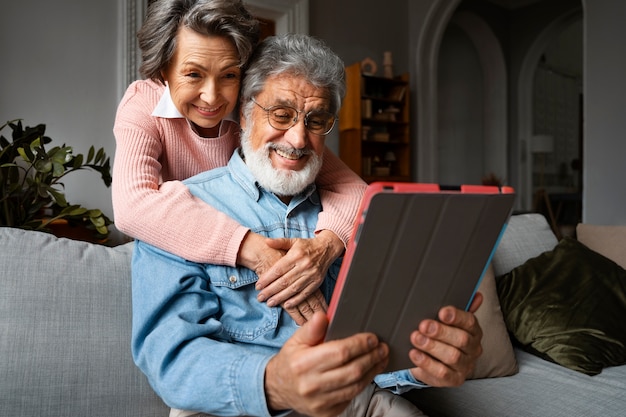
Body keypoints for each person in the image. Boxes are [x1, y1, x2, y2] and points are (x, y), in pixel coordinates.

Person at [132, 33, 483, 417]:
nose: (298, 139)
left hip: (353, 402)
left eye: (316, 121)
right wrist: (272, 382)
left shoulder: (352, 213)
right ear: (246, 114)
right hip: (236, 407)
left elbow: (374, 351)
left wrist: (426, 360)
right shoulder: (177, 210)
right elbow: (172, 360)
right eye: (281, 114)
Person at [112, 0, 366, 322]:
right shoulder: (143, 103)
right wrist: (255, 250)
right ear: (164, 69)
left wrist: (325, 247)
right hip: (181, 253)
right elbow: (133, 204)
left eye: (229, 75)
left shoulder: (254, 112)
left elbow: (352, 189)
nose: (213, 96)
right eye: (193, 74)